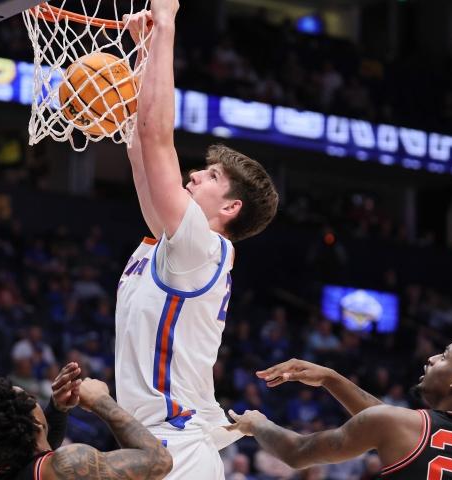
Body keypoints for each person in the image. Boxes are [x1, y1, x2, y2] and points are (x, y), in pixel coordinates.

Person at [115, 3, 279, 478]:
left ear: (230, 208)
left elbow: (156, 138)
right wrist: (145, 50)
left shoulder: (203, 249)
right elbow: (140, 148)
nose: (194, 175)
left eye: (210, 176)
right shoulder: (173, 245)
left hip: (177, 448)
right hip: (164, 444)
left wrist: (165, 24)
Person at [226, 316, 452, 479]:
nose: (431, 358)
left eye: (444, 356)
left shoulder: (399, 426)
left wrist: (257, 424)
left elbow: (298, 452)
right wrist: (331, 378)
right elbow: (394, 426)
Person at [0, 363, 172, 480]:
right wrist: (100, 401)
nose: (36, 401)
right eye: (30, 399)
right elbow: (159, 461)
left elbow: (33, 456)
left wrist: (57, 409)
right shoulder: (71, 466)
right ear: (36, 424)